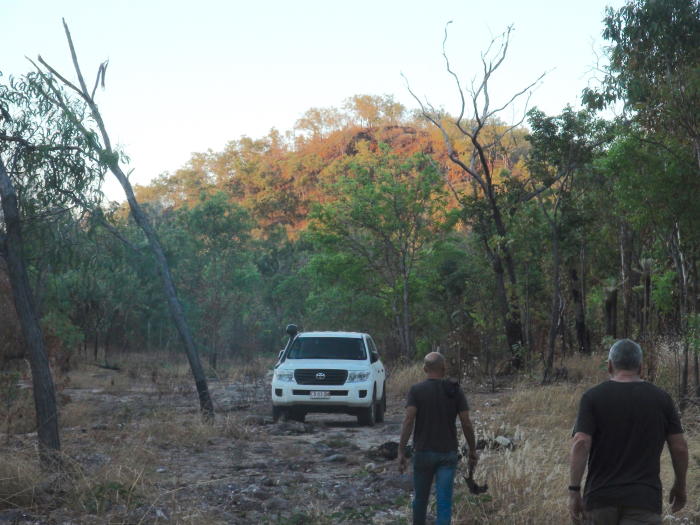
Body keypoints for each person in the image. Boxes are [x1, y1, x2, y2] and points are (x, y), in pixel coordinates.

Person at [569, 339, 689, 524]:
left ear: (609, 366)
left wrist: (574, 491)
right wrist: (680, 487)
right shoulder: (662, 399)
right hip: (644, 501)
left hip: (600, 499)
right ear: (641, 367)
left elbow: (581, 442)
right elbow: (679, 447)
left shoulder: (592, 398)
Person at [398, 352, 477, 525]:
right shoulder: (455, 390)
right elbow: (466, 422)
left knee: (420, 499)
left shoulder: (416, 390)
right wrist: (472, 449)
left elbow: (409, 419)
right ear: (444, 368)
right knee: (444, 502)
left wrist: (401, 451)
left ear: (425, 369)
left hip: (423, 452)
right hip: (447, 454)